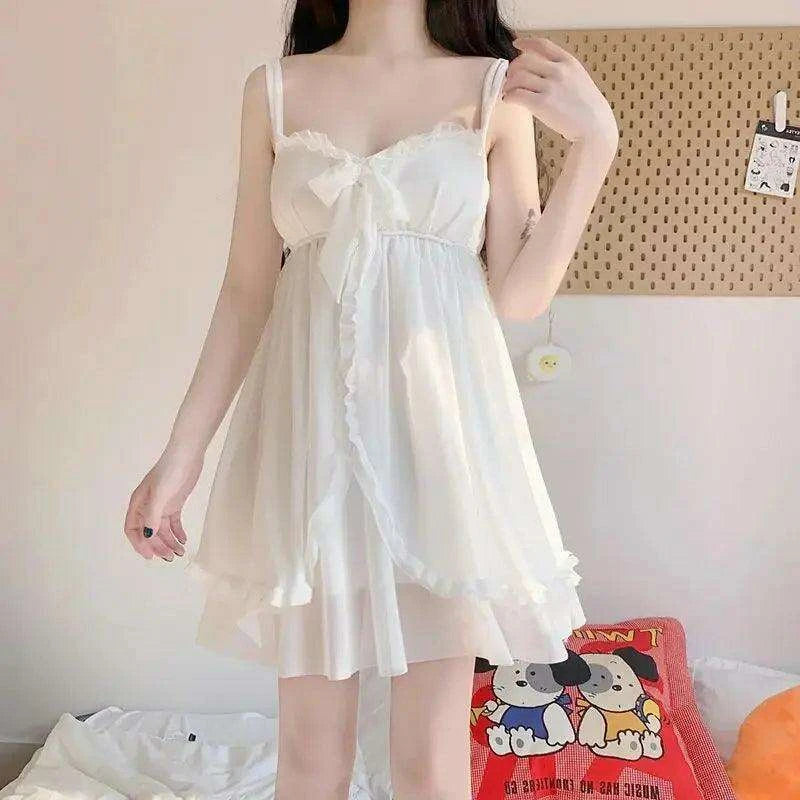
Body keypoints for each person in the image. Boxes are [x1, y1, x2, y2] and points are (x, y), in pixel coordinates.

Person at [124, 0, 618, 797]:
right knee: (310, 753)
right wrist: (180, 460)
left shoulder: (493, 90)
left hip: (440, 451)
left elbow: (519, 295)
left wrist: (596, 145)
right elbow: (247, 290)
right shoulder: (275, 90)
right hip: (311, 447)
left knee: (428, 761)